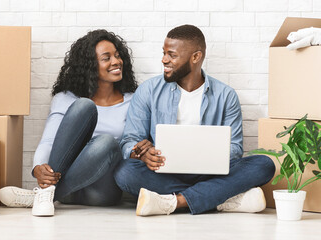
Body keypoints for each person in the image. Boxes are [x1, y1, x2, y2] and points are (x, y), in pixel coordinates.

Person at [114, 24, 275, 216]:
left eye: (172, 55)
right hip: (164, 172)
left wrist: (206, 155)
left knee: (264, 164)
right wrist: (141, 153)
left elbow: (235, 149)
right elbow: (130, 141)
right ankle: (221, 198)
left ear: (196, 57)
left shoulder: (226, 95)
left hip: (211, 172)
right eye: (164, 53)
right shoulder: (148, 91)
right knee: (125, 172)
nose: (164, 60)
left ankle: (176, 201)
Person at [0, 29, 138, 217]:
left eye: (117, 55)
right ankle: (48, 192)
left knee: (107, 142)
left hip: (102, 192)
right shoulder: (65, 98)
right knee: (83, 106)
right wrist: (38, 167)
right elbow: (49, 140)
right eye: (106, 58)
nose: (116, 61)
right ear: (90, 65)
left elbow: (131, 143)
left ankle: (43, 196)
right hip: (68, 183)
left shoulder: (133, 101)